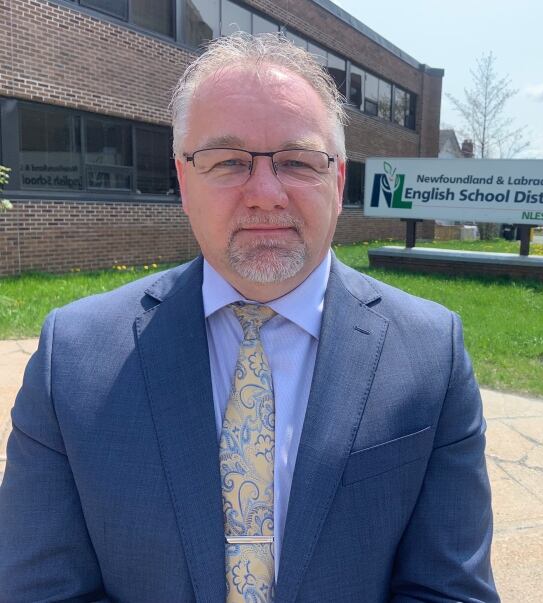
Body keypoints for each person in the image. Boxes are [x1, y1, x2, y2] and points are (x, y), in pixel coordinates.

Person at [0, 33, 497, 602]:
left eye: (297, 161)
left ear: (336, 182)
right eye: (228, 161)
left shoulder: (430, 355)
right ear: (184, 182)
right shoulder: (75, 356)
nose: (265, 193)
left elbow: (449, 591)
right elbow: (39, 590)